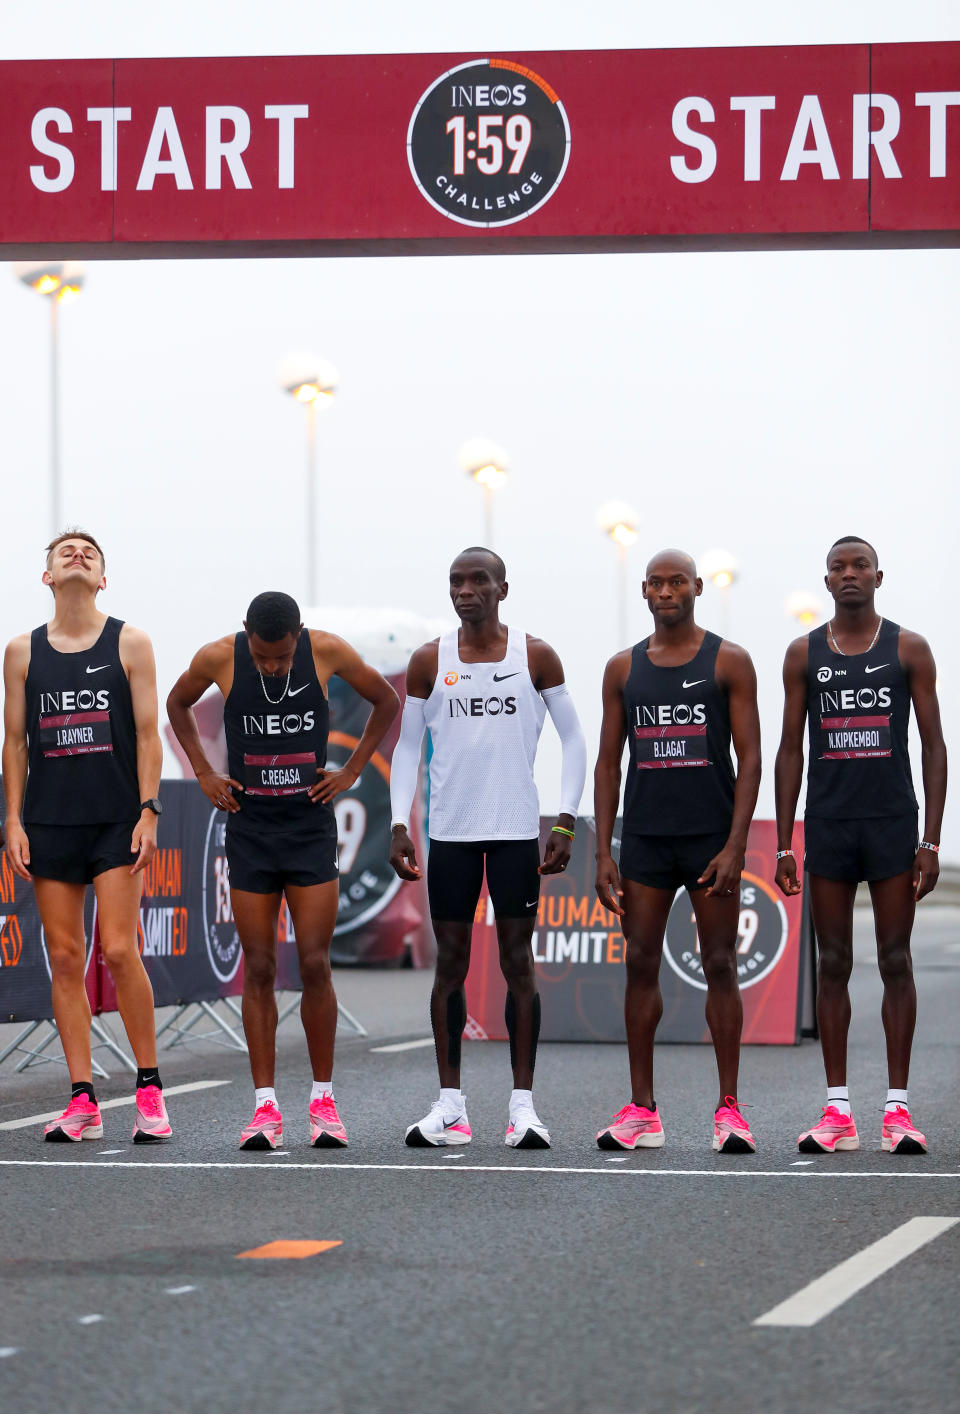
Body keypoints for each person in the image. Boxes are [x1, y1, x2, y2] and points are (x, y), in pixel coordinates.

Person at [166, 592, 398, 1150]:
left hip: (308, 828)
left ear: (300, 633)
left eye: (283, 657)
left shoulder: (328, 652)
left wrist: (352, 771)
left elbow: (387, 701)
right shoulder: (220, 657)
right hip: (250, 829)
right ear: (246, 633)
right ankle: (265, 1109)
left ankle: (323, 1102)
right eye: (264, 657)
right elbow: (176, 706)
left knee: (316, 963)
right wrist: (204, 772)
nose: (273, 666)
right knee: (261, 965)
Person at [389, 548, 587, 1149]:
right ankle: (450, 1107)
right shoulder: (430, 659)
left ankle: (522, 1108)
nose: (466, 590)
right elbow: (405, 747)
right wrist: (400, 821)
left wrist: (566, 822)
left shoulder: (536, 655)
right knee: (450, 965)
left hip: (513, 832)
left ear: (503, 588)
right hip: (450, 832)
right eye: (457, 581)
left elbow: (575, 739)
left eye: (479, 581)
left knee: (516, 963)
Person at [775, 536, 946, 1155]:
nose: (849, 575)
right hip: (830, 823)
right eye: (838, 568)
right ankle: (838, 1110)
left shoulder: (908, 647)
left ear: (878, 577)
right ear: (826, 582)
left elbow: (932, 744)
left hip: (892, 823)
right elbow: (790, 748)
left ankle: (897, 1111)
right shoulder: (805, 652)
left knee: (896, 959)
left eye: (860, 567)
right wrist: (787, 840)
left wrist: (930, 838)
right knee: (834, 963)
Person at [2, 530, 171, 1143]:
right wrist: (14, 820)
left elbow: (149, 735)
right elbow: (16, 743)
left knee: (121, 952)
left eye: (90, 552)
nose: (77, 553)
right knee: (66, 958)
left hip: (116, 820)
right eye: (64, 550)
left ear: (104, 578)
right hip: (50, 823)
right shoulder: (21, 651)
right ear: (46, 575)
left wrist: (149, 810)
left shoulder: (130, 641)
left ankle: (150, 1092)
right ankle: (83, 1102)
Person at [593, 549, 762, 1152]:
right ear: (644, 591)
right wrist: (603, 851)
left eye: (678, 582)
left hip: (709, 839)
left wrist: (737, 843)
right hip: (643, 839)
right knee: (640, 961)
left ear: (696, 588)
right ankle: (643, 1110)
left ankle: (729, 1111)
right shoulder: (622, 668)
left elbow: (751, 759)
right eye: (657, 584)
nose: (667, 591)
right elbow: (609, 761)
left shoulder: (730, 661)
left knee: (719, 962)